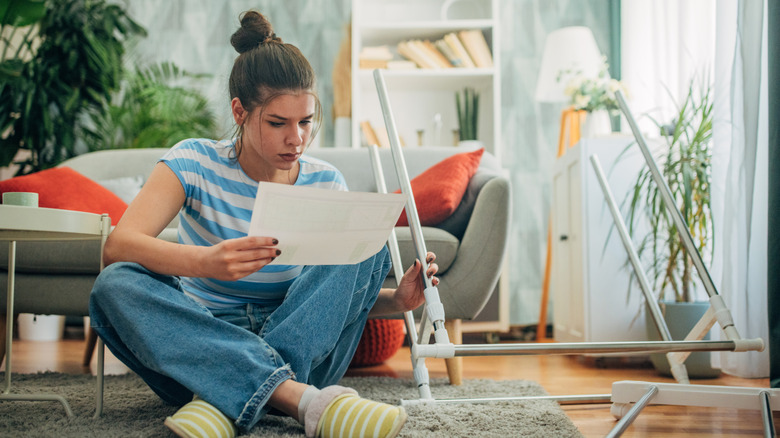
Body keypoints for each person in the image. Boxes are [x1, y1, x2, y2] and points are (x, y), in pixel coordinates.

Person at [89, 10, 438, 438]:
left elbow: (327, 303)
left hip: (293, 341)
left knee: (370, 246)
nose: (297, 139)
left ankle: (221, 400)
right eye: (278, 123)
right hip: (204, 337)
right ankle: (304, 401)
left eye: (306, 122)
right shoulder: (194, 161)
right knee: (114, 285)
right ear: (239, 111)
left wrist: (394, 302)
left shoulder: (326, 181)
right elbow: (117, 245)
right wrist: (205, 263)